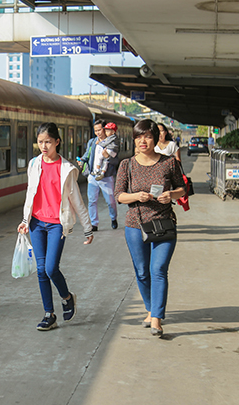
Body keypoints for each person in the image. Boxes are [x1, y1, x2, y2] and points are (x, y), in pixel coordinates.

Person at [17, 123, 93, 331]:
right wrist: (25, 220)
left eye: (48, 142)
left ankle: (67, 297)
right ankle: (49, 314)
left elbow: (76, 199)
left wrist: (88, 227)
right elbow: (30, 194)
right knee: (41, 271)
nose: (43, 146)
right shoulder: (33, 164)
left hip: (57, 224)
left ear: (57, 142)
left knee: (51, 268)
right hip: (36, 223)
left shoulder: (66, 169)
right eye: (40, 142)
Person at [114, 119, 186, 337]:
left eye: (146, 136)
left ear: (156, 138)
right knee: (142, 271)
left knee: (158, 270)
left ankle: (156, 318)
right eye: (138, 136)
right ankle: (150, 308)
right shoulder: (127, 165)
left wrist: (171, 195)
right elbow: (119, 195)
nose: (142, 141)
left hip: (163, 223)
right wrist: (137, 196)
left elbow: (183, 189)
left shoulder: (169, 163)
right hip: (136, 225)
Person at [77, 119, 118, 231]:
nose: (98, 133)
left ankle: (113, 218)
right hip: (92, 175)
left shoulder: (111, 143)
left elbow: (115, 161)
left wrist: (107, 156)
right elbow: (87, 154)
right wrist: (82, 160)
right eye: (96, 131)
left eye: (100, 130)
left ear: (105, 129)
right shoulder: (92, 142)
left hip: (106, 176)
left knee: (110, 201)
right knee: (92, 200)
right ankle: (94, 224)